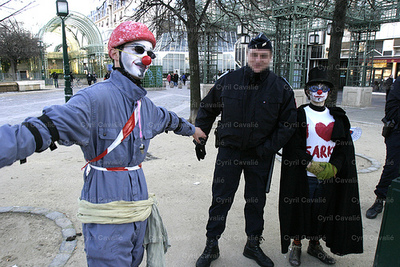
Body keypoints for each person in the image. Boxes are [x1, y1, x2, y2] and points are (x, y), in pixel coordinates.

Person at [0, 21, 206, 266]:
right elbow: (41, 129)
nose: (146, 59)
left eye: (149, 53)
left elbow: (169, 120)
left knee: (135, 257)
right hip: (105, 200)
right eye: (138, 50)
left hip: (138, 199)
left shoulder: (146, 106)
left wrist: (193, 130)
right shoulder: (92, 100)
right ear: (114, 54)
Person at [193, 33, 297, 267]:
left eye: (263, 56)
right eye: (254, 55)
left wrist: (268, 148)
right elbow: (208, 108)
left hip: (259, 154)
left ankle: (253, 244)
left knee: (255, 201)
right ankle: (212, 244)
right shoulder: (229, 80)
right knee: (220, 198)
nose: (258, 59)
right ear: (247, 55)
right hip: (229, 152)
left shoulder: (280, 88)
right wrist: (201, 136)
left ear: (270, 58)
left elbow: (288, 124)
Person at [279, 66, 363, 266]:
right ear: (307, 91)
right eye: (314, 87)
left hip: (328, 177)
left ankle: (315, 244)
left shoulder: (337, 116)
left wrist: (334, 167)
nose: (319, 91)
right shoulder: (299, 115)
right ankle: (297, 245)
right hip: (303, 176)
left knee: (323, 210)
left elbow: (344, 147)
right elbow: (293, 145)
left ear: (329, 91)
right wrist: (309, 164)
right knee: (301, 209)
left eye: (323, 87)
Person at [366, 75, 400, 219]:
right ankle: (380, 199)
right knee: (392, 167)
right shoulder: (397, 84)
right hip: (397, 132)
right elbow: (392, 109)